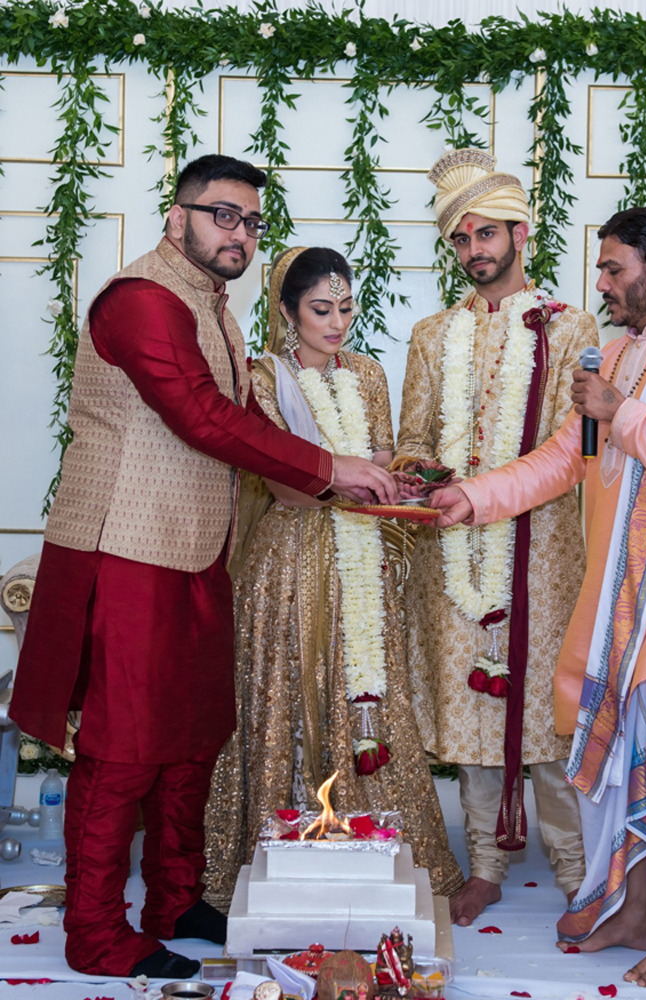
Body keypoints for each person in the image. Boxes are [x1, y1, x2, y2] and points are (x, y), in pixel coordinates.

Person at [9, 156, 398, 980]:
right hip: (125, 548)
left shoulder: (211, 304)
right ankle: (94, 932)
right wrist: (330, 469)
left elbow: (247, 413)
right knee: (122, 750)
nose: (240, 235)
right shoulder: (141, 300)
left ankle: (174, 899)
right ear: (174, 214)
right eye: (223, 216)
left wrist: (344, 472)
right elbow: (197, 413)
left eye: (252, 222)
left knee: (191, 737)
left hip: (195, 547)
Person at [431, 206, 646, 989]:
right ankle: (631, 901)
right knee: (615, 759)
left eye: (615, 268)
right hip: (616, 595)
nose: (603, 284)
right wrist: (473, 499)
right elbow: (561, 460)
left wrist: (622, 414)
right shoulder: (616, 354)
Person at [203, 246, 464, 907]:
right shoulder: (263, 380)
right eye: (321, 309)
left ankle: (372, 846)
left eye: (345, 308)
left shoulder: (368, 375)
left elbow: (378, 458)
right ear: (287, 311)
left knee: (367, 692)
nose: (337, 322)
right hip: (289, 560)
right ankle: (274, 850)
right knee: (286, 692)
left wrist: (398, 478)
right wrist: (359, 479)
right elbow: (286, 488)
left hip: (359, 556)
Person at [393, 148, 598, 925]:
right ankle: (483, 863)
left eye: (487, 233)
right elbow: (414, 437)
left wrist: (489, 488)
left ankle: (579, 875)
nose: (475, 249)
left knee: (544, 715)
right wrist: (423, 468)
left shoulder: (573, 327)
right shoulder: (430, 335)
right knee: (472, 712)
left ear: (521, 233)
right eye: (460, 238)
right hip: (454, 553)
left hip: (543, 554)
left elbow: (572, 451)